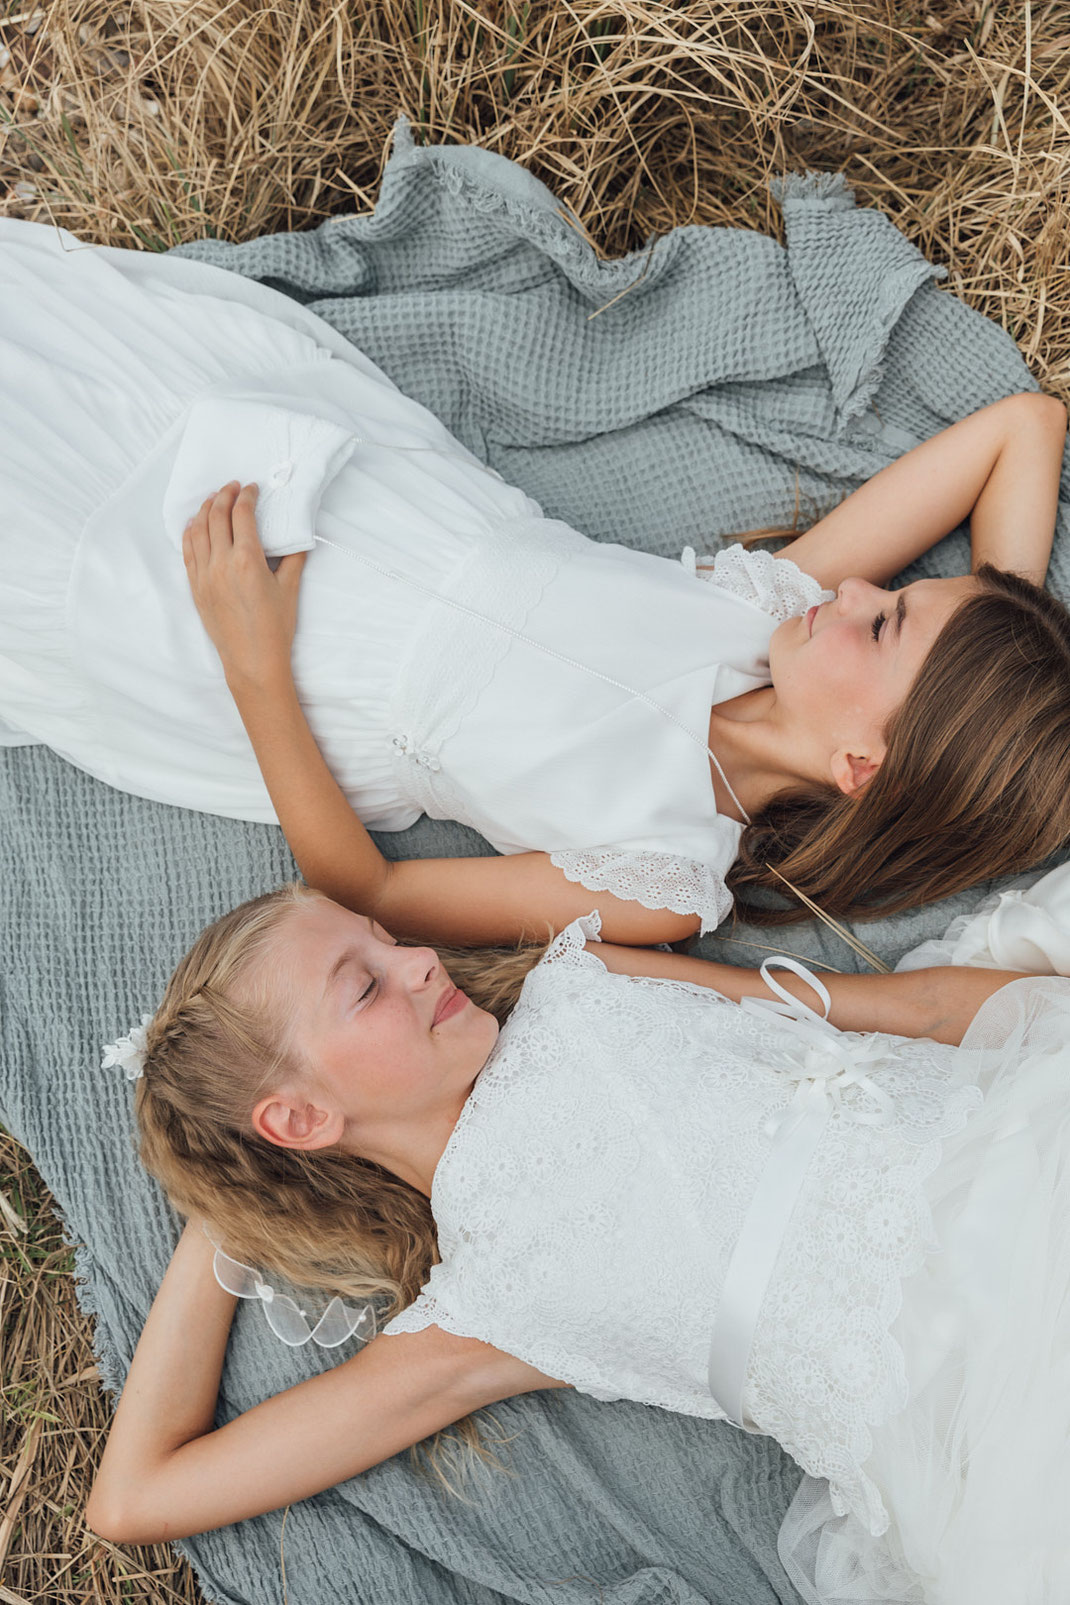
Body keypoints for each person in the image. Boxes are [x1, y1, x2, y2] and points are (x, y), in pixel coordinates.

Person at [3, 217, 1070, 946]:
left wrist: (253, 663)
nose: (858, 590)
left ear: (859, 766)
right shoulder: (760, 612)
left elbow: (371, 891)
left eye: (883, 625)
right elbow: (1025, 427)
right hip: (367, 498)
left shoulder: (668, 873)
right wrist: (991, 653)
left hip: (287, 660)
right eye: (891, 596)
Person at [84, 878, 1069, 1603]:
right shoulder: (486, 1309)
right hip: (972, 1408)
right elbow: (134, 1495)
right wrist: (223, 1203)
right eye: (365, 986)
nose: (419, 960)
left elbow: (892, 1011)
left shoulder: (581, 986)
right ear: (300, 1118)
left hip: (1020, 1156)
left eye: (387, 940)